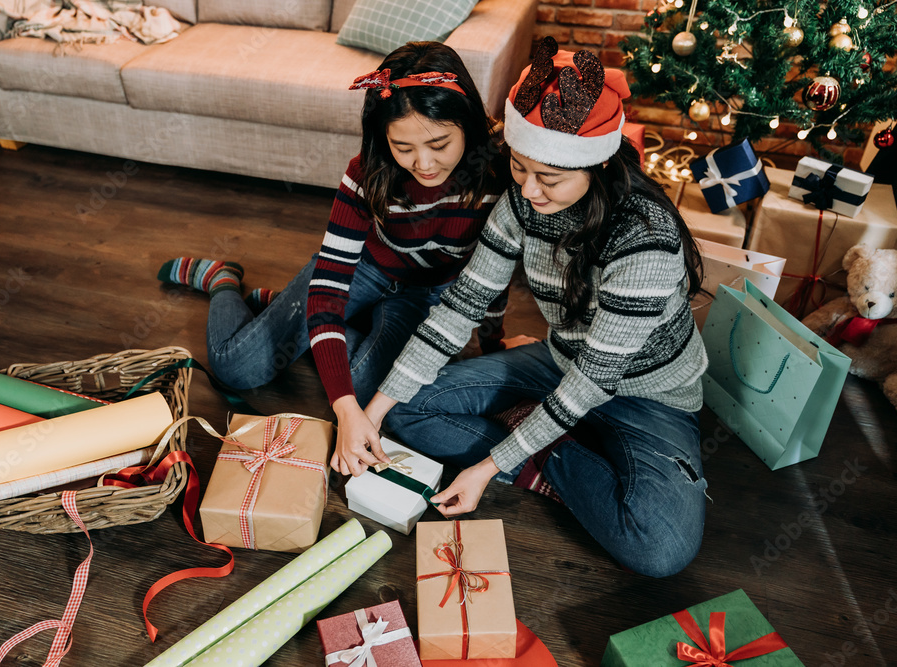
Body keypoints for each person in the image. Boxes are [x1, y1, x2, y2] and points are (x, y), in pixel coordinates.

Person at [344, 40, 710, 578]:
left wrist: (490, 466)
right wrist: (370, 416)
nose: (529, 192)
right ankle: (544, 446)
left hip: (649, 397)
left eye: (550, 178)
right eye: (519, 168)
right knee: (401, 411)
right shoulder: (521, 200)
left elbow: (594, 381)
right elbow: (462, 304)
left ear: (597, 165)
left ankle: (538, 450)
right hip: (559, 362)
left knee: (661, 549)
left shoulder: (644, 241)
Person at [156, 42, 509, 453]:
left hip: (425, 294)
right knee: (236, 368)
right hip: (366, 268)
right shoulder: (367, 171)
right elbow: (328, 288)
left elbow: (495, 275)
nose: (424, 164)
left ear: (467, 123)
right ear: (383, 138)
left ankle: (291, 313)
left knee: (369, 392)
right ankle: (223, 281)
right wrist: (342, 409)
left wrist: (494, 342)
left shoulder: (498, 172)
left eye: (439, 145)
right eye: (404, 148)